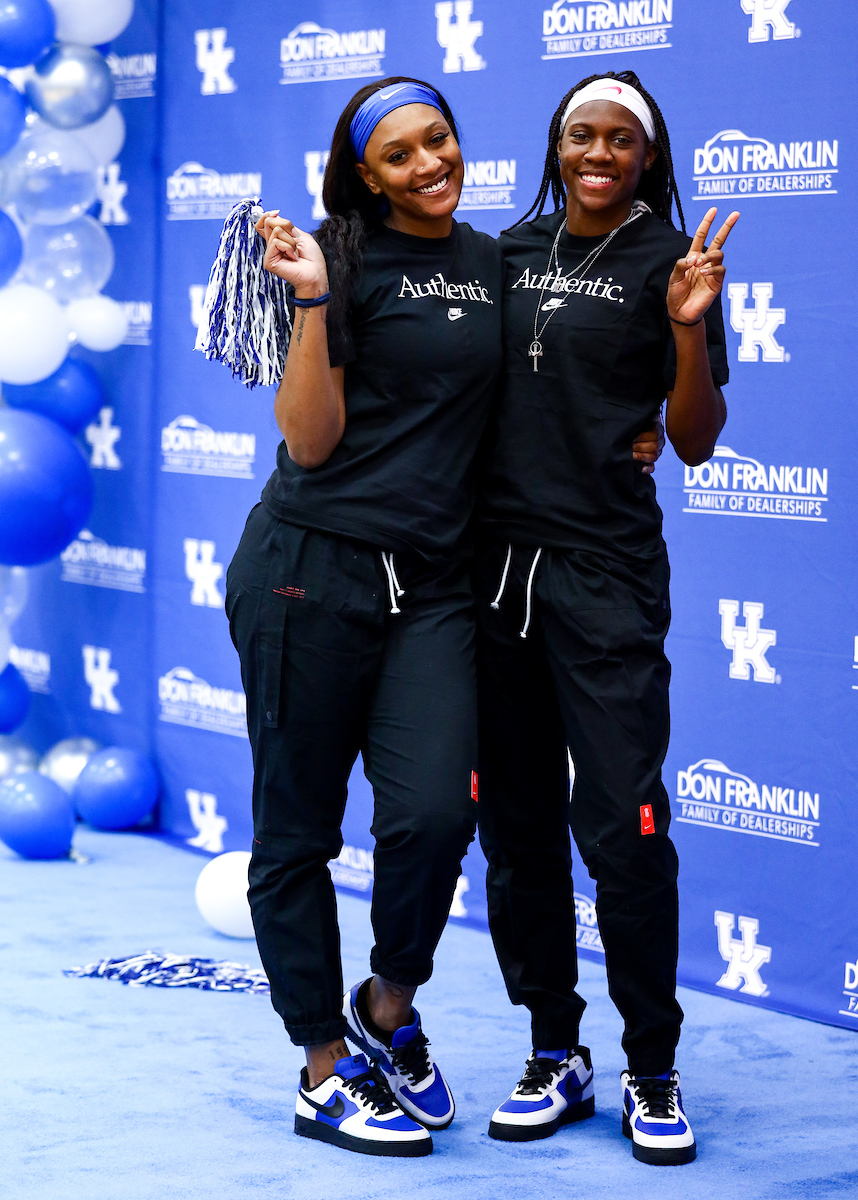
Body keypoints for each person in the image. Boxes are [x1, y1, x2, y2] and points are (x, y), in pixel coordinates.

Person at [224, 77, 503, 1158]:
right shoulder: (334, 261)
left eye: (439, 139)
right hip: (309, 571)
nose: (430, 163)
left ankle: (387, 1008)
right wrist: (306, 303)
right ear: (362, 174)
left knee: (434, 814)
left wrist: (629, 432)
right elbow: (309, 442)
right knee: (294, 828)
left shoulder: (494, 263)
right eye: (400, 155)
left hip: (432, 586)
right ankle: (322, 1068)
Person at [474, 71, 738, 1166]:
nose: (598, 151)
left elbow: (694, 440)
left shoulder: (669, 262)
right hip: (493, 579)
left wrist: (686, 330)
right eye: (581, 134)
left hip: (605, 579)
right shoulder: (504, 253)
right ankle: (554, 1050)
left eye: (620, 139)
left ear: (647, 156)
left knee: (626, 833)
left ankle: (652, 1068)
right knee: (517, 830)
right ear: (555, 144)